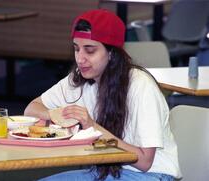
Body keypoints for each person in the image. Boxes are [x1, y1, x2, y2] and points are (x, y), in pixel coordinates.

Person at [24, 9, 181, 181]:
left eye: (89, 51)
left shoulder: (140, 85)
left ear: (112, 54)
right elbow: (31, 109)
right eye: (76, 49)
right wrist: (55, 114)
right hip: (107, 172)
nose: (80, 59)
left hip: (151, 175)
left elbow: (144, 161)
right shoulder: (79, 78)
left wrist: (92, 127)